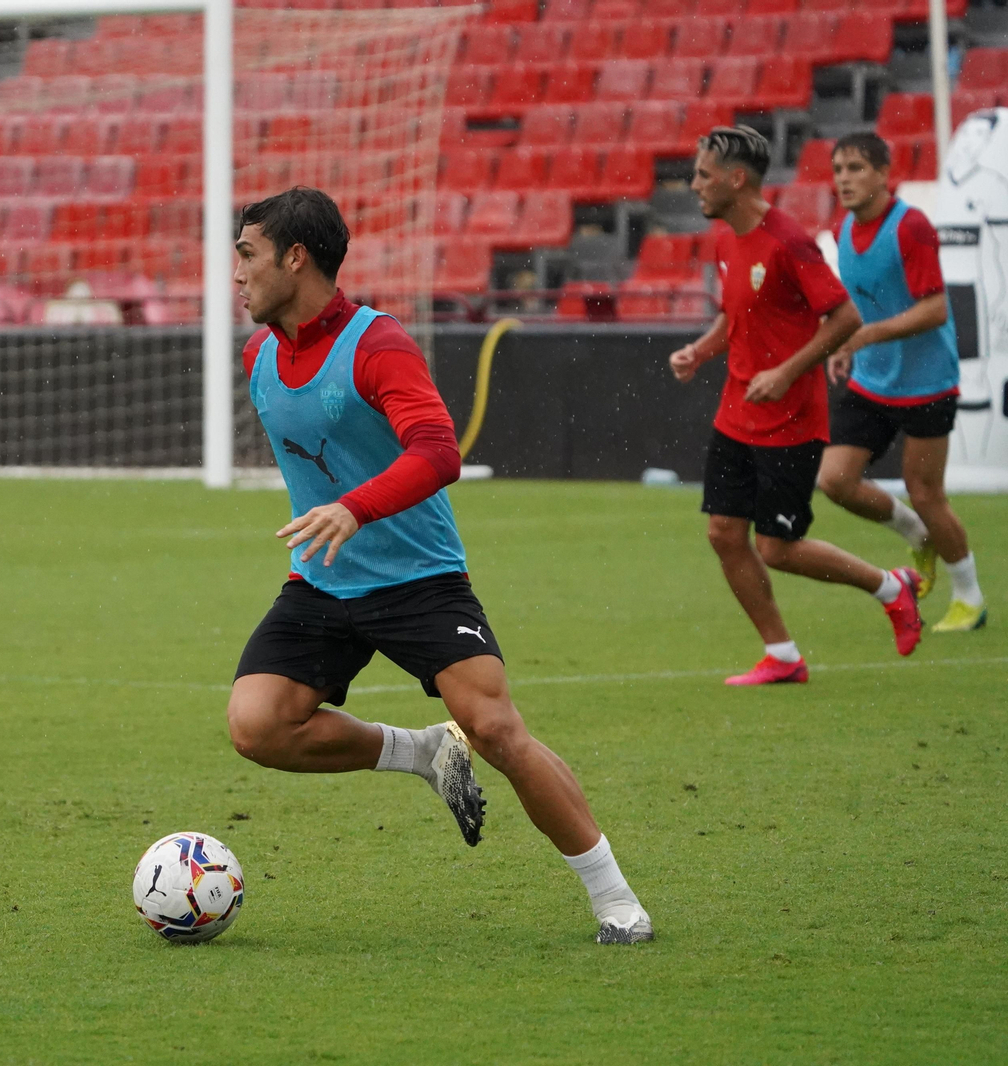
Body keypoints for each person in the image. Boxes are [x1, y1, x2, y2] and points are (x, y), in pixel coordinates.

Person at [227, 187, 653, 945]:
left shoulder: (377, 343)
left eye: (247, 254)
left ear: (296, 258)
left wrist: (354, 507)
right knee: (258, 727)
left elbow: (438, 451)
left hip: (419, 578)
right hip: (323, 579)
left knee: (495, 728)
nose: (237, 274)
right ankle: (421, 751)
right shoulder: (260, 351)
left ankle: (615, 898)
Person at [669, 126, 923, 685]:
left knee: (779, 548)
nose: (694, 186)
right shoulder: (726, 239)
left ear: (737, 180)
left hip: (790, 421)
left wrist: (787, 371)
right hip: (735, 414)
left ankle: (890, 586)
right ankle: (782, 655)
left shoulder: (787, 240)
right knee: (724, 534)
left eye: (704, 175)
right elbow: (734, 316)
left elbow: (846, 318)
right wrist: (700, 351)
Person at [816, 132, 986, 633]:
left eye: (856, 168)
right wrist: (842, 346)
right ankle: (918, 535)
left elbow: (935, 309)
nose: (844, 178)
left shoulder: (910, 226)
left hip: (928, 382)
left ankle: (969, 598)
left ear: (884, 173)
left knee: (926, 491)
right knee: (835, 481)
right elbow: (855, 302)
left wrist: (867, 335)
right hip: (872, 379)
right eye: (839, 169)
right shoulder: (843, 229)